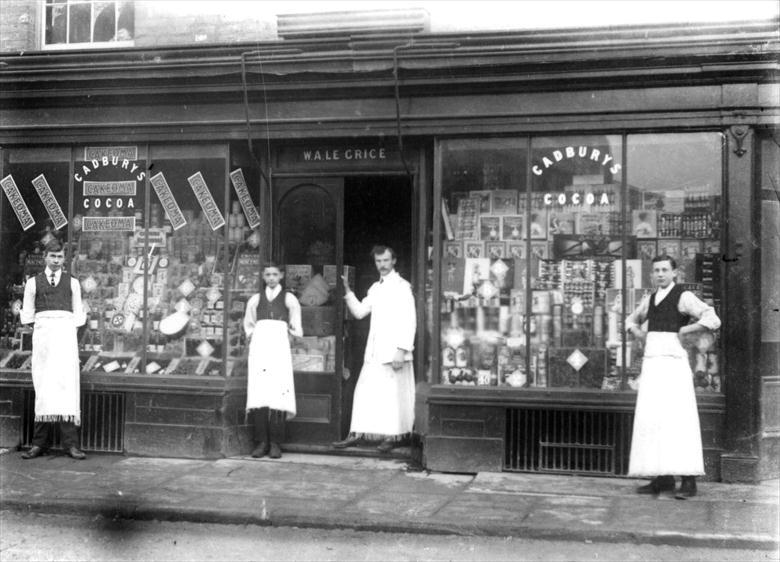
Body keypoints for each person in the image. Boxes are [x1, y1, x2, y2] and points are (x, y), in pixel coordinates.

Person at [625, 255, 721, 498]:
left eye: (665, 270)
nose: (660, 274)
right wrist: (637, 332)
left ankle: (689, 481)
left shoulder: (683, 296)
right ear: (651, 274)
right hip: (653, 363)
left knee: (679, 419)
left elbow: (712, 318)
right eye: (656, 270)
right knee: (654, 420)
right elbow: (630, 319)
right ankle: (662, 479)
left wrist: (688, 328)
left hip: (674, 364)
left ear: (675, 273)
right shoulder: (650, 299)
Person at [332, 246, 416, 453]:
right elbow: (360, 312)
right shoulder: (375, 288)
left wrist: (402, 350)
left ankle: (393, 436)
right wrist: (348, 291)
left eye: (386, 260)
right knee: (365, 392)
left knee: (393, 397)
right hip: (375, 351)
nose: (382, 265)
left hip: (395, 352)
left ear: (394, 261)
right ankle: (357, 433)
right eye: (379, 261)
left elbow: (410, 320)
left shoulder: (402, 286)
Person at [20, 240, 87, 460]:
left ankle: (71, 444)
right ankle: (39, 443)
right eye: (52, 256)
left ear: (64, 259)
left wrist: (63, 333)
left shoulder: (73, 283)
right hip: (44, 340)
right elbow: (28, 316)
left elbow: (78, 316)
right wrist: (45, 330)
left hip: (66, 339)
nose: (56, 261)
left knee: (67, 386)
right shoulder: (33, 283)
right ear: (45, 258)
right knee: (44, 386)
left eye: (60, 257)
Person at [243, 262, 302, 459]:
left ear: (281, 276)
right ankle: (262, 441)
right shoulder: (255, 299)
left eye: (274, 274)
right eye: (267, 274)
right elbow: (249, 325)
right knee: (260, 393)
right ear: (263, 276)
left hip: (279, 348)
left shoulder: (289, 298)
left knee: (278, 392)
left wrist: (288, 333)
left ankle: (276, 442)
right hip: (260, 348)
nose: (271, 278)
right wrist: (255, 335)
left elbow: (296, 325)